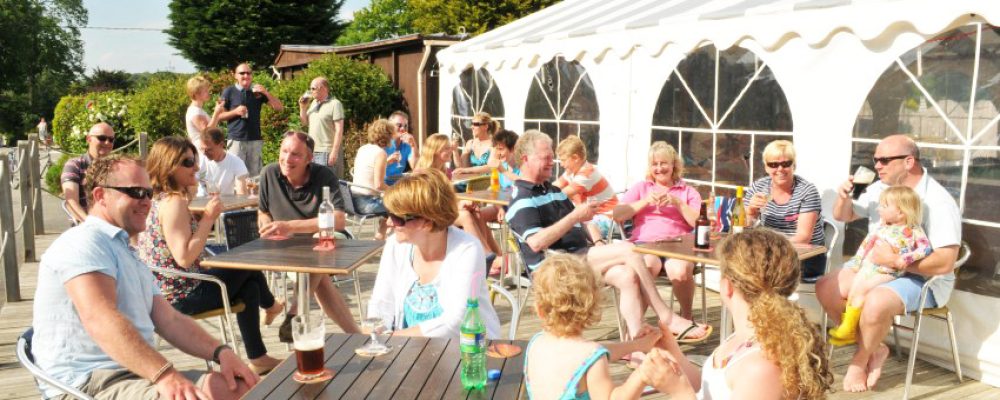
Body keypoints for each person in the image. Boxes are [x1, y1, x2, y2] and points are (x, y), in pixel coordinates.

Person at [32, 154, 257, 400]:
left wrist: (221, 351)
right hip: (88, 384)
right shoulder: (84, 242)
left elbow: (169, 319)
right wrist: (164, 375)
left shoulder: (125, 249)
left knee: (241, 388)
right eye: (136, 192)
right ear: (100, 196)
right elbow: (100, 319)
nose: (146, 201)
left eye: (149, 193)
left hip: (135, 374)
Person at [507, 130, 710, 345]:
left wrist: (599, 242)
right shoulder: (521, 198)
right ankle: (667, 316)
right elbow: (537, 242)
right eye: (545, 157)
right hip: (555, 268)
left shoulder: (552, 190)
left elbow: (585, 221)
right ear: (525, 159)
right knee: (629, 250)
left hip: (577, 257)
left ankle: (635, 347)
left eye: (551, 156)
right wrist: (576, 216)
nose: (552, 161)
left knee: (627, 275)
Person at [817, 134, 961, 392]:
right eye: (875, 160)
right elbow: (843, 215)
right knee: (827, 286)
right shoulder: (879, 188)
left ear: (908, 162)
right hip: (876, 267)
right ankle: (875, 348)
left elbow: (945, 262)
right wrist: (844, 197)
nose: (877, 166)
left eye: (884, 160)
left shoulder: (937, 201)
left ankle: (860, 361)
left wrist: (896, 261)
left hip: (923, 278)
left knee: (875, 302)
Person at [136, 136, 284, 374]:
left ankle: (259, 356)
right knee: (247, 262)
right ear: (168, 166)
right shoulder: (173, 202)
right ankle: (272, 308)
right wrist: (208, 218)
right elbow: (184, 257)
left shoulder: (158, 199)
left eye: (195, 160)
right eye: (187, 162)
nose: (196, 166)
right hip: (180, 298)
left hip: (167, 291)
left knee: (249, 287)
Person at [644, 229, 833, 399]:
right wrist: (675, 353)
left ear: (727, 286)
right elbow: (712, 388)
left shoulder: (761, 367)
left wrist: (679, 392)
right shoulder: (746, 338)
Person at [366, 169, 502, 338]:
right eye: (389, 214)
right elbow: (381, 303)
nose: (389, 223)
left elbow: (456, 320)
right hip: (411, 351)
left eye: (397, 218)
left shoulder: (467, 249)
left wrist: (392, 339)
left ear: (427, 223)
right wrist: (374, 334)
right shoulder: (396, 245)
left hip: (470, 353)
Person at [525, 253, 678, 400]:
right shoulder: (591, 358)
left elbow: (600, 351)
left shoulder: (536, 343)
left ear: (540, 310)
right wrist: (641, 375)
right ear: (592, 306)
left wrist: (636, 345)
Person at [257, 130, 361, 341]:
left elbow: (339, 220)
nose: (287, 158)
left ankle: (294, 312)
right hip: (289, 249)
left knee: (317, 250)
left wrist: (290, 226)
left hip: (330, 240)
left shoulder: (323, 176)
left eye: (295, 154)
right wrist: (266, 224)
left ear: (309, 159)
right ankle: (357, 336)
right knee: (318, 277)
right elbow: (263, 211)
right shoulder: (269, 174)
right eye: (284, 151)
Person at [827, 185, 932, 345]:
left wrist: (905, 259)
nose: (878, 209)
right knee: (854, 289)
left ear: (901, 212)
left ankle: (849, 328)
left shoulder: (913, 230)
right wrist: (857, 262)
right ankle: (848, 327)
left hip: (888, 272)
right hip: (869, 267)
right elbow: (866, 244)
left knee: (862, 290)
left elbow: (925, 248)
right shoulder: (882, 227)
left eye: (884, 206)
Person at [613, 142, 700, 323]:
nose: (659, 168)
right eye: (655, 164)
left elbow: (698, 222)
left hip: (678, 244)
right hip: (645, 243)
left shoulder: (687, 191)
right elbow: (618, 215)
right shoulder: (641, 188)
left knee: (680, 270)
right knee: (647, 267)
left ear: (674, 164)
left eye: (664, 163)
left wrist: (677, 203)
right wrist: (645, 201)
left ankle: (686, 317)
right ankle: (638, 325)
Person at [744, 139, 825, 280]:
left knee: (759, 275)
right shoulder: (759, 187)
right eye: (773, 164)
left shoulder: (806, 190)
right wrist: (750, 211)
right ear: (766, 168)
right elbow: (741, 226)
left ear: (794, 165)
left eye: (786, 164)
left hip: (805, 257)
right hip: (768, 254)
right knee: (737, 265)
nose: (780, 169)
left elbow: (803, 238)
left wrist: (768, 249)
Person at [218, 62, 284, 177]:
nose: (246, 76)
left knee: (255, 177)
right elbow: (218, 116)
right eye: (242, 73)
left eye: (248, 73)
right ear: (235, 75)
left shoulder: (257, 91)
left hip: (255, 140)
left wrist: (266, 93)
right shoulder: (229, 91)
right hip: (236, 140)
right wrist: (235, 112)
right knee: (236, 176)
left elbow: (279, 108)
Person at [554, 135, 618, 244]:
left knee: (570, 228)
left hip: (607, 218)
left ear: (575, 158)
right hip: (591, 215)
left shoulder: (587, 173)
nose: (561, 164)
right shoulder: (572, 171)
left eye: (563, 160)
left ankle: (598, 247)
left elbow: (561, 195)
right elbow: (554, 187)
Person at [62, 122, 115, 223]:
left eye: (111, 139)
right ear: (88, 139)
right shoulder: (74, 165)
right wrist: (89, 223)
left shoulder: (116, 167)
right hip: (86, 225)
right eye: (102, 138)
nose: (107, 143)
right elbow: (71, 201)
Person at [351, 119, 392, 239]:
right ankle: (386, 239)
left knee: (390, 205)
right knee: (400, 204)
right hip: (367, 203)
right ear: (388, 136)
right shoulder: (381, 153)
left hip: (353, 200)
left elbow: (369, 169)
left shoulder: (363, 148)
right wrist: (396, 190)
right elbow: (379, 185)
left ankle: (380, 236)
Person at [297, 76, 345, 177]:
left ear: (323, 88)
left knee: (326, 186)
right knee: (314, 184)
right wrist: (303, 108)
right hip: (312, 151)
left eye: (313, 88)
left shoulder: (335, 104)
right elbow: (304, 123)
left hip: (326, 152)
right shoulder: (314, 103)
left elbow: (339, 130)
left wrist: (334, 152)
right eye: (310, 88)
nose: (310, 91)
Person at [197, 127, 249, 197]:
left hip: (226, 205)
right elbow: (188, 186)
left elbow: (242, 195)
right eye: (202, 149)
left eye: (209, 150)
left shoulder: (236, 162)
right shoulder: (198, 160)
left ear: (221, 145)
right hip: (200, 204)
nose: (204, 153)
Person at [185, 75, 224, 150]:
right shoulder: (195, 112)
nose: (208, 92)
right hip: (202, 150)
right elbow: (207, 133)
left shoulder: (197, 110)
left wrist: (217, 113)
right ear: (196, 93)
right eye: (205, 91)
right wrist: (216, 113)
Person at [384, 111, 417, 185]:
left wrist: (413, 145)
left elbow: (415, 166)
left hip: (398, 184)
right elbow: (372, 170)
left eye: (405, 126)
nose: (403, 129)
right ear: (390, 126)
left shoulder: (407, 144)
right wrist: (388, 161)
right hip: (382, 185)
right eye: (399, 125)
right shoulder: (384, 143)